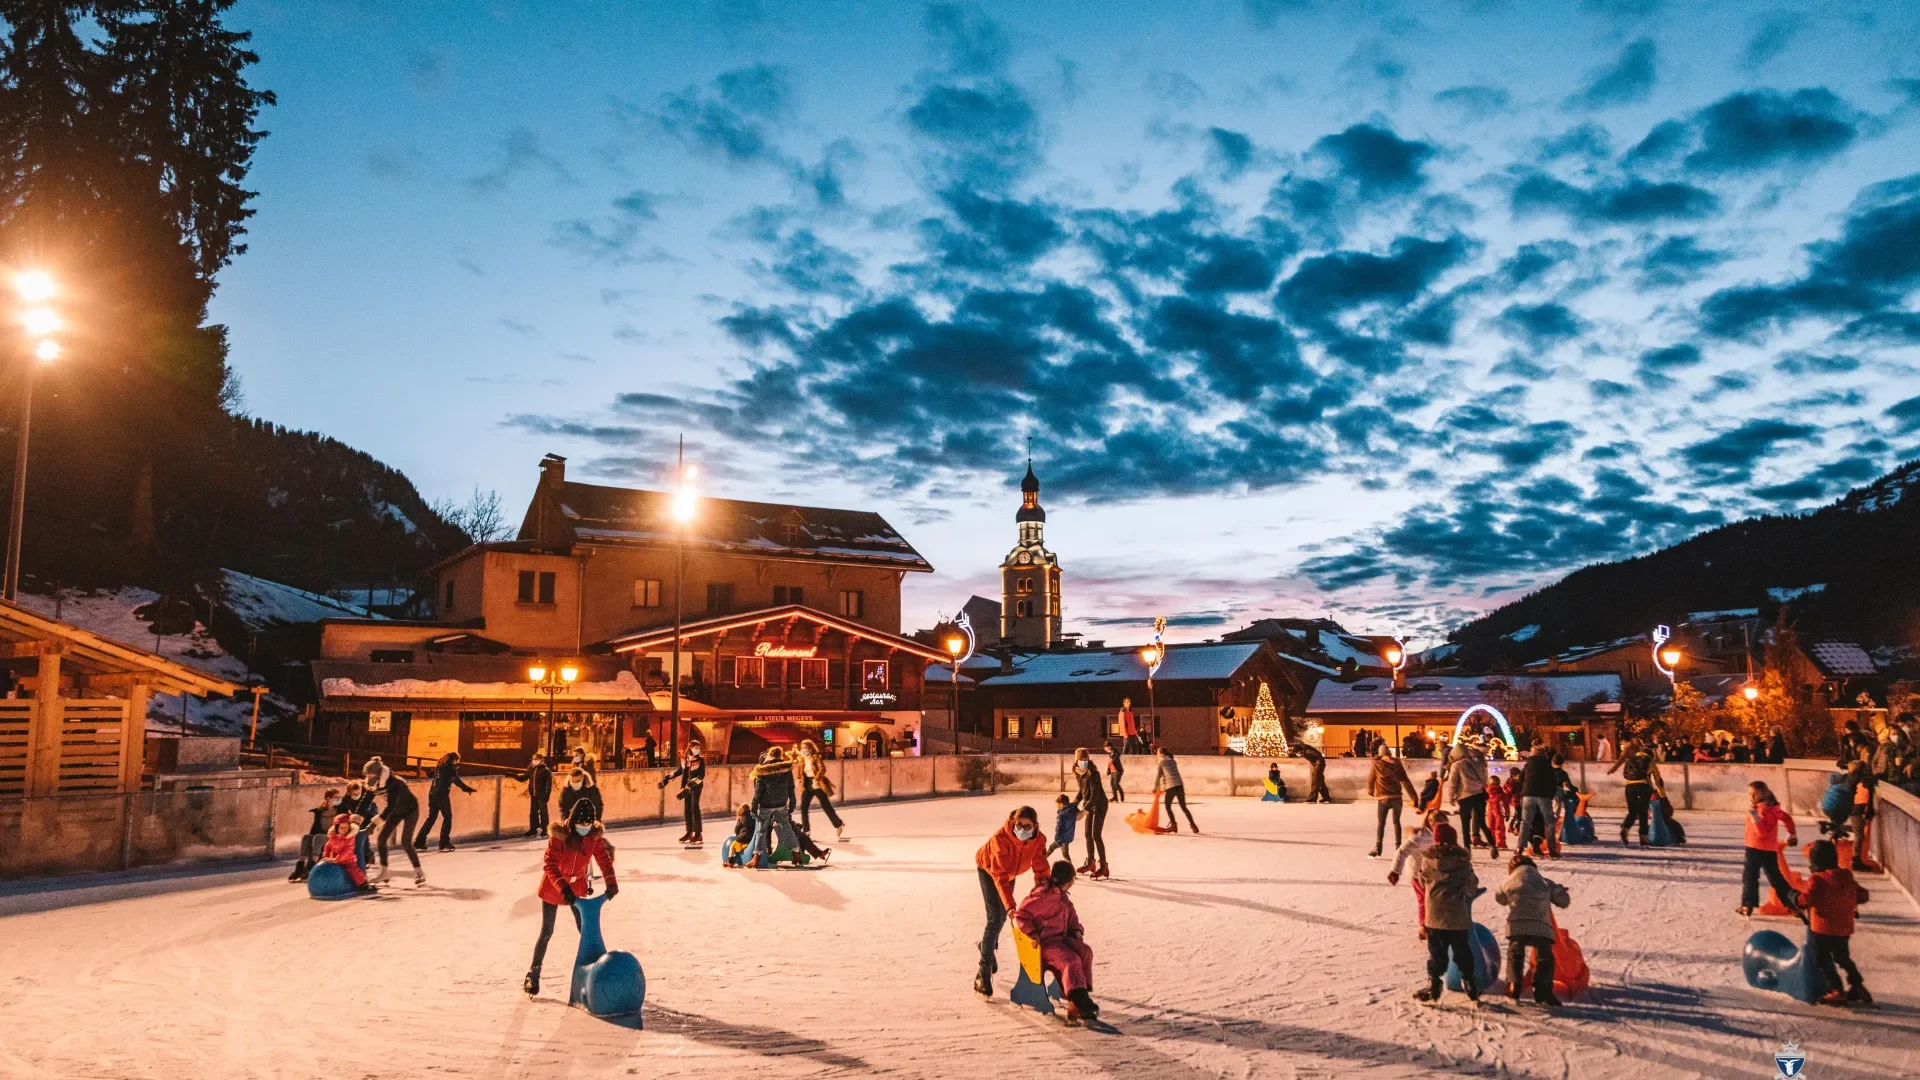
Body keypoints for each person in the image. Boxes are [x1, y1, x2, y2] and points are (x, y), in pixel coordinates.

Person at [523, 799, 618, 997]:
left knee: (586, 930)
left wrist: (611, 882)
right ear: (573, 821)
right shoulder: (560, 836)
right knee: (547, 931)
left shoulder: (593, 836)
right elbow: (549, 865)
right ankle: (533, 974)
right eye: (580, 825)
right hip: (554, 886)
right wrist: (563, 888)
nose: (584, 828)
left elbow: (603, 859)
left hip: (576, 888)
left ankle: (599, 972)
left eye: (587, 825)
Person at [1010, 860, 1101, 1024]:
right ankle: (1077, 1001)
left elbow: (1072, 916)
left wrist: (1076, 930)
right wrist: (1032, 933)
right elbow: (1021, 913)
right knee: (1070, 960)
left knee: (1085, 952)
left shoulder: (1062, 896)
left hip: (1062, 938)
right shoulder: (1043, 896)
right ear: (1069, 880)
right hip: (1046, 943)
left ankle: (1081, 995)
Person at [973, 805, 1049, 997]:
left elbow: (1041, 869)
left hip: (1010, 873)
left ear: (1035, 826)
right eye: (1019, 825)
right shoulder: (1001, 839)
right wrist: (1010, 906)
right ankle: (983, 973)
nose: (1022, 830)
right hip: (990, 870)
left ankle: (986, 947)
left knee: (1001, 919)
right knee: (995, 919)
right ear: (1013, 822)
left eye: (1027, 826)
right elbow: (999, 876)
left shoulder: (1039, 840)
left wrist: (1043, 896)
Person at [1798, 839, 1872, 1005]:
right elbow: (1863, 895)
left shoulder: (1817, 879)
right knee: (1843, 957)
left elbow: (1806, 900)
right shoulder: (1846, 876)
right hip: (1844, 928)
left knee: (1821, 958)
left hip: (1823, 928)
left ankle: (1836, 989)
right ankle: (1857, 985)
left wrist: (1796, 899)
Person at [1415, 823, 1481, 1004]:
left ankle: (1434, 986)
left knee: (1437, 952)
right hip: (1457, 915)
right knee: (1462, 950)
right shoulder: (1463, 862)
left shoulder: (1427, 860)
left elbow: (1422, 881)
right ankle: (1470, 984)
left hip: (1434, 915)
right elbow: (1471, 886)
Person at [1494, 852, 1570, 1007]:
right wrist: (1561, 891)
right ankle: (1543, 990)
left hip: (1517, 925)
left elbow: (1499, 898)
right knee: (1545, 957)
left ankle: (1514, 986)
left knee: (1515, 954)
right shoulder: (1544, 881)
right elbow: (1563, 901)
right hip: (1540, 926)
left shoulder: (1508, 880)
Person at [1737, 781, 1799, 917]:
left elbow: (1762, 832)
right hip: (1770, 848)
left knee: (1750, 877)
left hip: (1754, 847)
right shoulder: (1773, 807)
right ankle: (1792, 903)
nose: (1750, 797)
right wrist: (1791, 833)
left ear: (1759, 794)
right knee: (1776, 878)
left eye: (1752, 794)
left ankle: (1747, 904)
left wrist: (1755, 818)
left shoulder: (1761, 810)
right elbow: (1787, 818)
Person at [1387, 810, 1451, 938]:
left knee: (1433, 899)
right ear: (1430, 823)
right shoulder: (1420, 838)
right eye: (1440, 825)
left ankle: (1434, 924)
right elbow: (1401, 851)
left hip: (1431, 873)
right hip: (1417, 873)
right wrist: (1395, 871)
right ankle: (1424, 927)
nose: (1443, 828)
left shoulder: (1441, 836)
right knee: (1424, 900)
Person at [363, 757, 424, 886]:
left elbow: (390, 807)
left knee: (406, 841)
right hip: (396, 811)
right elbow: (365, 801)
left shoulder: (395, 783)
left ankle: (418, 872)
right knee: (381, 839)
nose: (369, 776)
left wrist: (375, 823)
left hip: (410, 809)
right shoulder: (372, 783)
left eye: (371, 773)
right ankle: (384, 871)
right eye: (367, 774)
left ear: (379, 773)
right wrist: (356, 817)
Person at [1445, 737, 1497, 859]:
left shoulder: (1456, 765)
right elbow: (1485, 778)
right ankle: (1492, 845)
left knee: (1465, 824)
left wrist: (1451, 797)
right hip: (1479, 795)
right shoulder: (1477, 762)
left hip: (1465, 796)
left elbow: (1453, 782)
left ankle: (1467, 849)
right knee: (1482, 823)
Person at [1607, 739, 1664, 846]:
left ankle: (1625, 828)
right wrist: (1662, 795)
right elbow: (1658, 780)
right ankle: (1643, 836)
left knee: (1632, 812)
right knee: (1643, 812)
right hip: (1643, 787)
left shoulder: (1631, 759)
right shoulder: (1649, 760)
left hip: (1629, 787)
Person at [417, 752, 477, 852]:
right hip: (442, 795)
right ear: (455, 760)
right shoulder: (450, 768)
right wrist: (467, 789)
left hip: (432, 794)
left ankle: (419, 842)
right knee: (447, 817)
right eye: (457, 761)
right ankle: (444, 843)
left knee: (431, 818)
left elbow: (431, 774)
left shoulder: (439, 766)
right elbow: (457, 781)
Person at [1368, 742, 1418, 858]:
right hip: (1396, 798)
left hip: (1383, 798)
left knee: (1381, 823)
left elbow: (1371, 779)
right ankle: (1398, 846)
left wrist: (1370, 791)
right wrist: (1414, 797)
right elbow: (1405, 781)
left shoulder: (1377, 764)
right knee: (1396, 822)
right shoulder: (1397, 764)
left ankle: (1378, 847)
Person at [795, 739, 846, 841]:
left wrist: (816, 779)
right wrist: (798, 780)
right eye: (802, 748)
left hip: (818, 785)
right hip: (807, 785)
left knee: (826, 806)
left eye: (805, 748)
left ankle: (839, 824)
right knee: (803, 807)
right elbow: (800, 772)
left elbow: (822, 769)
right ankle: (806, 831)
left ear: (810, 749)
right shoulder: (801, 760)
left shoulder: (816, 758)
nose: (803, 750)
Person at [288, 787, 340, 883]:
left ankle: (312, 866)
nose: (338, 800)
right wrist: (310, 836)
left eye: (339, 797)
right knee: (307, 837)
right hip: (321, 833)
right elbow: (315, 826)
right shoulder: (320, 811)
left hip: (334, 835)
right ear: (328, 799)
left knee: (318, 837)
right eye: (336, 797)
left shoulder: (340, 809)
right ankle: (300, 865)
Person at [658, 743, 707, 845]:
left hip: (696, 787)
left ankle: (698, 834)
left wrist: (690, 784)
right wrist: (668, 777)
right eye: (695, 747)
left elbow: (701, 775)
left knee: (694, 808)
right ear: (690, 748)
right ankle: (689, 832)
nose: (697, 749)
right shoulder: (685, 760)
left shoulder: (700, 761)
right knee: (687, 810)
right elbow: (679, 771)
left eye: (698, 747)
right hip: (686, 788)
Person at [1074, 747, 1110, 879]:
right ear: (1076, 760)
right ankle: (1090, 862)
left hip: (1100, 804)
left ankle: (1104, 866)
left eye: (1085, 759)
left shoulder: (1093, 773)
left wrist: (1085, 811)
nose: (1083, 761)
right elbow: (1082, 791)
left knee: (1096, 835)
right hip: (1089, 805)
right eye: (1080, 759)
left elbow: (1094, 794)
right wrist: (1074, 803)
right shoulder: (1078, 773)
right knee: (1087, 834)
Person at [320, 813, 375, 893]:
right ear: (336, 828)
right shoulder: (332, 837)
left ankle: (363, 884)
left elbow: (348, 850)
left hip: (347, 860)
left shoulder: (349, 838)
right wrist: (325, 856)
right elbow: (328, 846)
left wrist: (337, 859)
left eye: (346, 827)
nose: (344, 829)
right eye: (341, 827)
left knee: (353, 870)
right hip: (333, 859)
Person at [1154, 748, 1199, 833]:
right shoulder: (1172, 760)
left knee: (1168, 806)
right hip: (1179, 785)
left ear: (1162, 754)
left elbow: (1158, 776)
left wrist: (1155, 788)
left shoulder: (1161, 761)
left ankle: (1174, 825)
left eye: (1158, 752)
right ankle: (1193, 825)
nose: (1157, 753)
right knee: (1184, 807)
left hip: (1171, 786)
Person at [522, 753, 553, 838]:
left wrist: (547, 795)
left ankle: (545, 829)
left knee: (543, 813)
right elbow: (523, 778)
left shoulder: (545, 770)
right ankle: (533, 829)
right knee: (533, 813)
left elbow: (548, 784)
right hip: (533, 795)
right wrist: (512, 775)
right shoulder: (531, 769)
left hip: (542, 795)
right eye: (533, 759)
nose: (534, 760)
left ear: (541, 760)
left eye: (536, 759)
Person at [1046, 794, 1078, 862]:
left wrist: (1057, 838)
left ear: (1061, 804)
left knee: (1055, 849)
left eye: (1057, 804)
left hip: (1061, 838)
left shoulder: (1061, 815)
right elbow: (1075, 809)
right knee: (1064, 853)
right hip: (1069, 836)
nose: (1056, 806)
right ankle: (1070, 867)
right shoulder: (1072, 810)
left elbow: (1059, 827)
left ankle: (1042, 860)